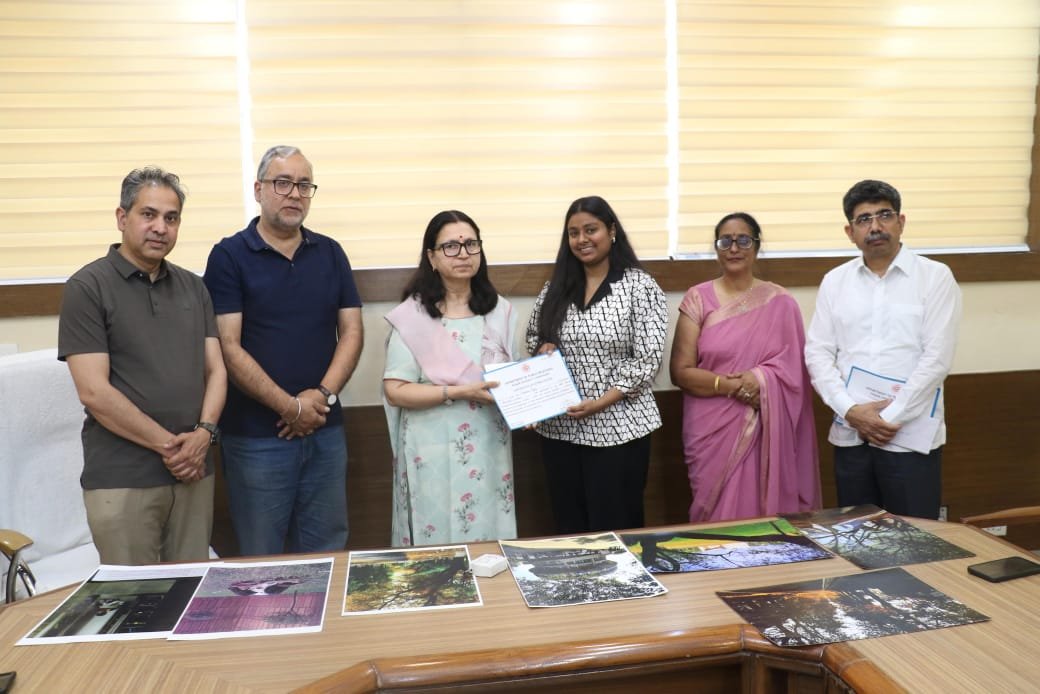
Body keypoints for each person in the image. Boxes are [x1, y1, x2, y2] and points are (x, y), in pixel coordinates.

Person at [58, 166, 226, 565]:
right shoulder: (87, 287)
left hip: (193, 473)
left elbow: (217, 371)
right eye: (148, 214)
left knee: (191, 590)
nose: (160, 228)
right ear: (122, 217)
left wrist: (203, 435)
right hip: (124, 479)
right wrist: (172, 447)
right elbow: (94, 392)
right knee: (135, 598)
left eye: (171, 218)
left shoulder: (193, 286)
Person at [203, 145, 364, 555]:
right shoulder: (229, 256)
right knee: (263, 559)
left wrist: (319, 398)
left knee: (328, 551)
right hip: (257, 438)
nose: (294, 193)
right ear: (258, 190)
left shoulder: (330, 252)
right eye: (283, 183)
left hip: (325, 430)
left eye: (304, 185)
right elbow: (228, 346)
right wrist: (290, 408)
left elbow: (351, 332)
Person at [805, 179, 962, 519]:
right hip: (851, 435)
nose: (875, 226)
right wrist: (851, 411)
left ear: (901, 222)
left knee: (915, 537)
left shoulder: (935, 277)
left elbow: (936, 359)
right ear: (850, 232)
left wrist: (885, 420)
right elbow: (818, 353)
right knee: (855, 536)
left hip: (910, 437)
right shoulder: (835, 281)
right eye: (864, 219)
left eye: (884, 215)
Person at [526, 195, 667, 534]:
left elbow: (647, 359)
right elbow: (533, 336)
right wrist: (543, 347)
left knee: (615, 525)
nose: (581, 239)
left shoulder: (639, 286)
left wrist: (601, 402)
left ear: (612, 231)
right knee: (570, 527)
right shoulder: (556, 287)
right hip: (561, 428)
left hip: (619, 427)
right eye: (573, 233)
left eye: (591, 230)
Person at [669, 213, 820, 522]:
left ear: (756, 246)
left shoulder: (781, 303)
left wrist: (760, 379)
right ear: (716, 248)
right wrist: (732, 386)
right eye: (725, 241)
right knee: (714, 518)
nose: (734, 248)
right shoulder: (698, 298)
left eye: (743, 240)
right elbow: (680, 371)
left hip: (765, 425)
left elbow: (795, 374)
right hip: (710, 426)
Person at [382, 210, 518, 546]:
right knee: (435, 540)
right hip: (429, 447)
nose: (463, 254)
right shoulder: (414, 316)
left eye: (471, 244)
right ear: (432, 257)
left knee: (487, 536)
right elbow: (395, 390)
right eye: (451, 247)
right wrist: (458, 392)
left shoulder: (500, 311)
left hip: (487, 443)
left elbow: (510, 379)